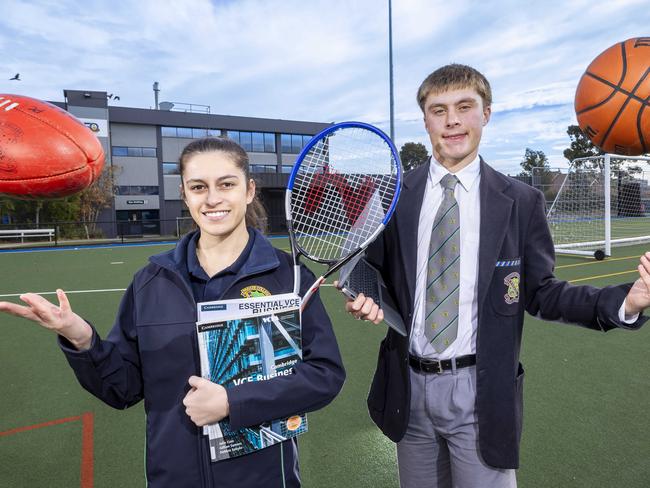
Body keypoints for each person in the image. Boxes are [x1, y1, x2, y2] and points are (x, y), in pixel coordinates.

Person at [344, 64, 650, 488]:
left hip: (480, 392)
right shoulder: (395, 196)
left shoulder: (521, 201)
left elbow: (543, 293)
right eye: (439, 110)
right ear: (426, 120)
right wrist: (361, 297)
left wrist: (625, 302)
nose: (452, 120)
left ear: (485, 114)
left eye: (464, 106)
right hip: (409, 391)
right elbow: (368, 271)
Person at [0, 137, 346, 487]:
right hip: (173, 477)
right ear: (184, 194)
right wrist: (82, 339)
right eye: (198, 187)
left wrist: (233, 401)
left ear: (249, 190)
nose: (212, 199)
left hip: (265, 478)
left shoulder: (289, 277)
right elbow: (122, 389)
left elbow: (324, 375)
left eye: (226, 184)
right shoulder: (150, 282)